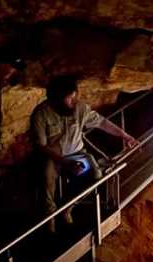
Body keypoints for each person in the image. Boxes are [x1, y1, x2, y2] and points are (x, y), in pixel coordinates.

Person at [31, 75, 137, 232]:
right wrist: (66, 163)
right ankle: (49, 219)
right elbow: (41, 146)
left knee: (95, 173)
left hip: (77, 154)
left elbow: (101, 122)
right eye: (70, 99)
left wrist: (125, 135)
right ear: (57, 98)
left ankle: (67, 207)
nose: (73, 102)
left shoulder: (79, 108)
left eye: (74, 98)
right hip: (52, 157)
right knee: (47, 177)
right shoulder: (41, 113)